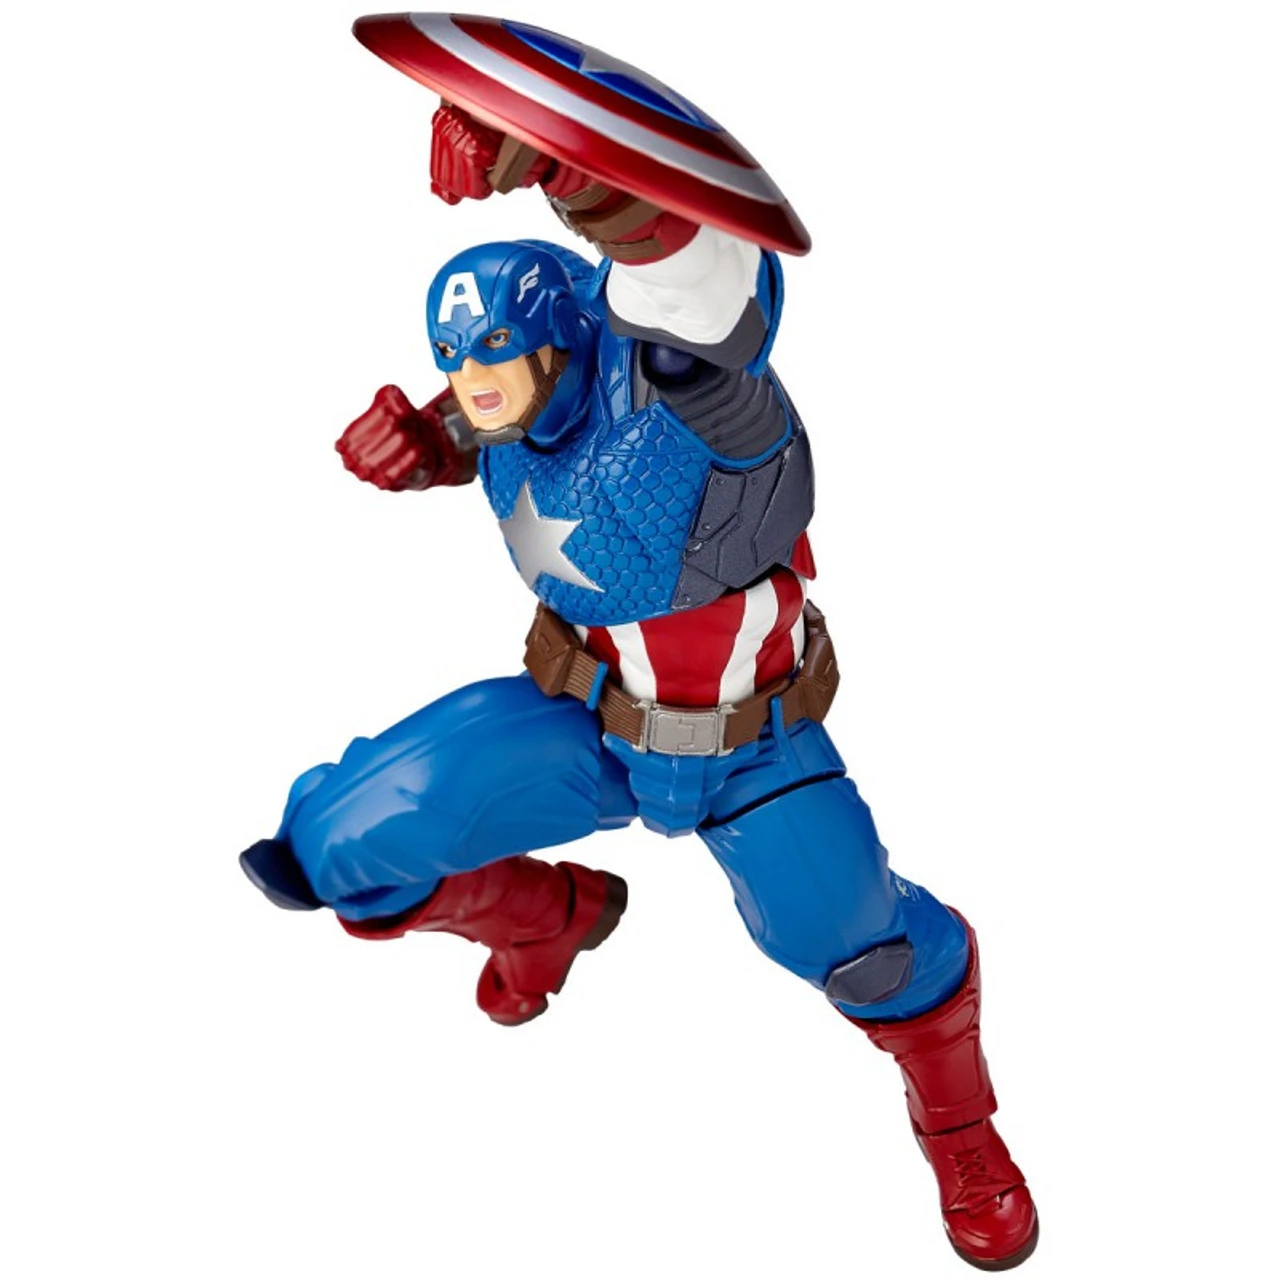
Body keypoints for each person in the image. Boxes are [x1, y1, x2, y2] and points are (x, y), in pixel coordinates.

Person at [240, 102, 1038, 1270]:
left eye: (494, 349)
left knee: (859, 944)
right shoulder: (511, 409)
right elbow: (494, 428)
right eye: (456, 357)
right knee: (338, 838)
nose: (473, 378)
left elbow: (699, 288)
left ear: (571, 337)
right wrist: (425, 446)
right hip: (587, 726)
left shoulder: (700, 406)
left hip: (753, 753)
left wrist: (556, 157)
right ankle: (543, 919)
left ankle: (959, 1126)